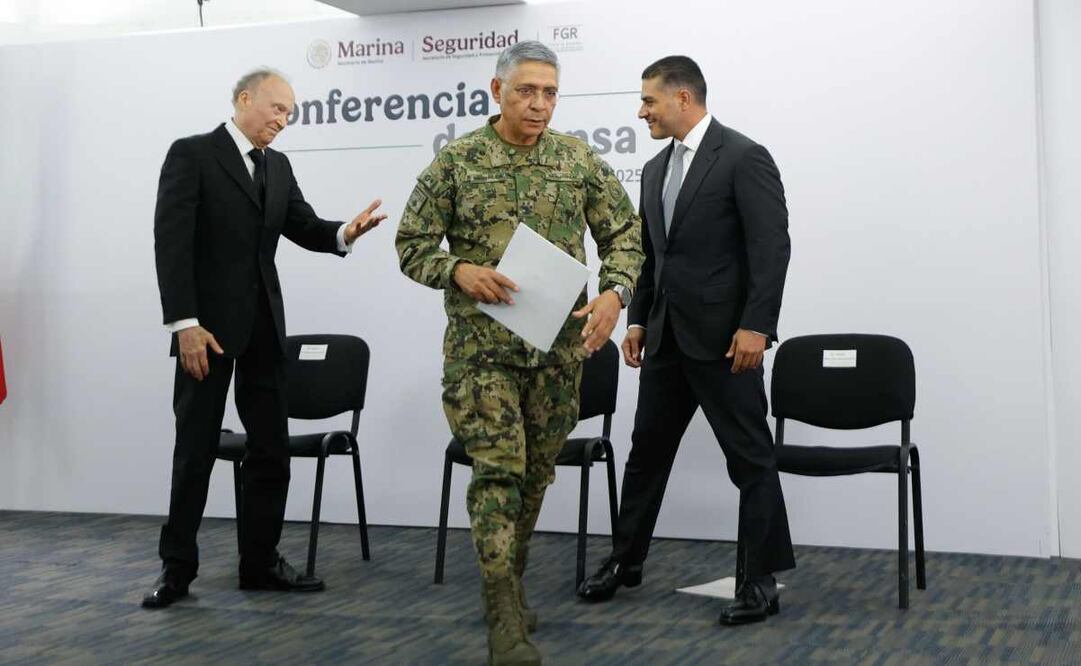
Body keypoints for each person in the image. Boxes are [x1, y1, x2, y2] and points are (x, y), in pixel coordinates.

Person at [395, 41, 642, 665]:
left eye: (550, 93)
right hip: (482, 355)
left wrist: (615, 294)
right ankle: (503, 613)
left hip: (558, 353)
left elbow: (625, 233)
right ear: (496, 90)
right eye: (527, 91)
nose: (539, 104)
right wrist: (457, 271)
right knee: (499, 471)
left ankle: (507, 581)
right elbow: (411, 244)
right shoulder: (457, 163)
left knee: (534, 477)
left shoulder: (577, 159)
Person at [143, 69, 386, 609]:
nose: (282, 121)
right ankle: (177, 567)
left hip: (263, 334)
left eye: (290, 115)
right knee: (195, 452)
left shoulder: (277, 166)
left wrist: (345, 232)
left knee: (271, 450)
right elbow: (171, 244)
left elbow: (303, 226)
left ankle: (259, 562)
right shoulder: (192, 154)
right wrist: (184, 324)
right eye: (276, 109)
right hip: (204, 334)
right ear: (244, 100)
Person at [577, 55, 795, 626]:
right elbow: (653, 256)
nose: (641, 110)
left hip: (729, 342)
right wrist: (640, 320)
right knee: (645, 456)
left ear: (683, 99)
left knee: (750, 460)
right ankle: (625, 562)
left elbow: (771, 249)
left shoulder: (744, 158)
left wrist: (757, 326)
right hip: (667, 341)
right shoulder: (653, 169)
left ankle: (759, 581)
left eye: (649, 100)